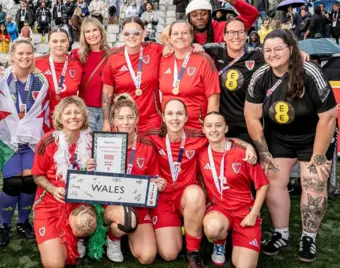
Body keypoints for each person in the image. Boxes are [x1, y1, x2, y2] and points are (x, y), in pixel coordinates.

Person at [245, 29, 338, 263]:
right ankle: (281, 233)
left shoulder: (311, 72)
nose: (272, 54)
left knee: (314, 182)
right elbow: (252, 117)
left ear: (291, 49)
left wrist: (318, 158)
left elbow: (328, 117)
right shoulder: (260, 76)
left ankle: (309, 236)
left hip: (313, 136)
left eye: (278, 48)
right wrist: (264, 155)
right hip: (279, 137)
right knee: (272, 178)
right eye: (267, 50)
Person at [0, 39, 50, 247]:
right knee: (12, 184)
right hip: (8, 140)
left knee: (29, 182)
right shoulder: (1, 78)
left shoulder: (40, 81)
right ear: (12, 55)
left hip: (30, 142)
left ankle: (22, 222)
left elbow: (44, 109)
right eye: (20, 53)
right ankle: (4, 225)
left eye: (29, 53)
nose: (25, 57)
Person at [98, 94, 166, 264]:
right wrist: (91, 167)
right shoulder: (103, 143)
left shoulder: (147, 146)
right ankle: (114, 238)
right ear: (113, 120)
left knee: (148, 257)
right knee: (125, 218)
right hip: (111, 204)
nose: (126, 122)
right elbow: (94, 183)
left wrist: (159, 183)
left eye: (130, 117)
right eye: (121, 118)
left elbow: (153, 178)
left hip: (138, 206)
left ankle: (125, 232)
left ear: (136, 119)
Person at [31, 96, 99, 267]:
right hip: (50, 203)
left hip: (78, 202)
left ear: (83, 116)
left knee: (86, 223)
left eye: (77, 112)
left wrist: (93, 168)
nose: (73, 116)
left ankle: (79, 236)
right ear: (60, 118)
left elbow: (100, 178)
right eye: (67, 113)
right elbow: (37, 176)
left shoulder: (92, 142)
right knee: (56, 264)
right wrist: (53, 189)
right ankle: (59, 236)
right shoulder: (48, 141)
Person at [198, 111, 269, 268]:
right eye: (209, 126)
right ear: (203, 130)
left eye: (218, 125)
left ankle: (246, 234)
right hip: (219, 209)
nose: (213, 130)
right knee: (213, 228)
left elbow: (263, 184)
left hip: (245, 212)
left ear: (226, 128)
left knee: (244, 265)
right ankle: (220, 242)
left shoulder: (242, 153)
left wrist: (254, 213)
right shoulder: (201, 153)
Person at [146, 98, 208, 267]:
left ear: (186, 118)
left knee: (195, 193)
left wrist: (248, 147)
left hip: (185, 197)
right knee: (169, 254)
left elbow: (223, 140)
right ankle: (182, 230)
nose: (175, 118)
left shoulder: (198, 137)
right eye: (170, 113)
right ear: (163, 117)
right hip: (163, 199)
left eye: (180, 113)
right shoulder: (152, 138)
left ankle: (193, 252)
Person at [202, 18, 264, 143]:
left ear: (246, 35)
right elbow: (191, 47)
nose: (236, 36)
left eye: (240, 32)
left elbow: (278, 53)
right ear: (224, 36)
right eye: (231, 32)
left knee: (249, 158)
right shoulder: (215, 49)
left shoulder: (257, 54)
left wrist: (299, 53)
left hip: (248, 121)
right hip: (223, 123)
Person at [102, 17, 163, 133]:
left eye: (136, 33)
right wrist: (106, 121)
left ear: (144, 33)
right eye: (127, 33)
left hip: (151, 122)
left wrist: (196, 47)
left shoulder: (155, 50)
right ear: (121, 34)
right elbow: (107, 93)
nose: (131, 36)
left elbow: (177, 48)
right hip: (124, 122)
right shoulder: (113, 58)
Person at [159, 21, 220, 131]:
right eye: (176, 34)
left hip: (196, 129)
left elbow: (213, 98)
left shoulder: (204, 60)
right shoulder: (162, 59)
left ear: (192, 36)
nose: (180, 37)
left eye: (184, 33)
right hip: (169, 129)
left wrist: (210, 128)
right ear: (170, 38)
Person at [36, 28, 82, 124]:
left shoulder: (77, 66)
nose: (59, 45)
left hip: (68, 123)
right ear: (48, 43)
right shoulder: (36, 63)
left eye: (63, 41)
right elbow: (16, 67)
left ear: (68, 43)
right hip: (43, 123)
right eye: (55, 41)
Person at [71, 17, 110, 131]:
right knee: (87, 146)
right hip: (86, 109)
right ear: (83, 35)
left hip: (107, 110)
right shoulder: (77, 55)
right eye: (87, 31)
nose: (92, 34)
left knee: (104, 146)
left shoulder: (112, 55)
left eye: (94, 30)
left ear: (101, 32)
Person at [186, 0, 258, 44]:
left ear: (210, 15)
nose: (199, 18)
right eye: (194, 15)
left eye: (204, 14)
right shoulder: (184, 34)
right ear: (189, 18)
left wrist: (236, 2)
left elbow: (252, 14)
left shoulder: (222, 28)